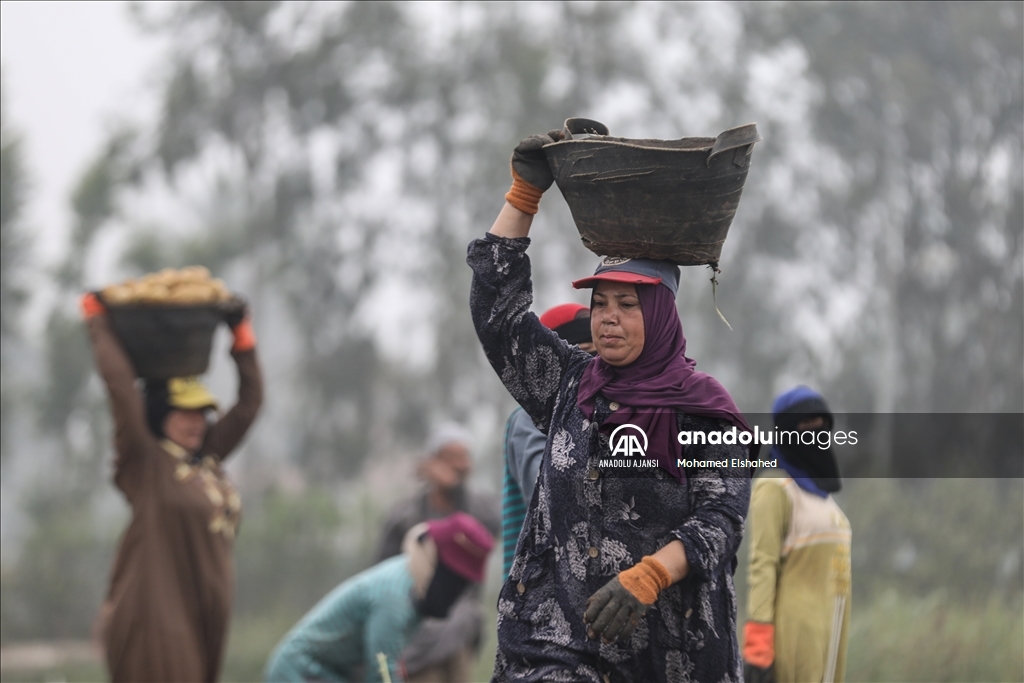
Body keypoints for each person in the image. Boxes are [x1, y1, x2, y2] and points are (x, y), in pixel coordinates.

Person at [467, 130, 756, 682]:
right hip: (562, 646)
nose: (607, 317)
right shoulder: (568, 387)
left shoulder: (703, 409)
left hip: (672, 653)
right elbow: (497, 316)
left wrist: (649, 575)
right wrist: (524, 195)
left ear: (663, 315)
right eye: (599, 303)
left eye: (627, 304)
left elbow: (722, 518)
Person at [81, 292, 263, 683]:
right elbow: (124, 395)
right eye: (185, 411)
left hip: (204, 619)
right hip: (155, 622)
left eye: (202, 412)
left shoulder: (207, 459)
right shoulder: (147, 464)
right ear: (161, 412)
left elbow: (249, 405)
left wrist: (241, 333)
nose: (197, 421)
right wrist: (99, 323)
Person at [264, 512, 494, 683]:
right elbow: (382, 674)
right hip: (300, 672)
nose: (456, 592)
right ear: (438, 562)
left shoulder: (411, 581)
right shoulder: (394, 599)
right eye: (455, 580)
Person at [742, 386, 851, 683]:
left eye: (821, 424)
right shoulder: (773, 486)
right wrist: (758, 645)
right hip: (795, 628)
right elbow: (762, 564)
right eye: (804, 425)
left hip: (831, 624)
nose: (814, 431)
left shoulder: (822, 494)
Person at [377, 425, 501, 682]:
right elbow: (380, 571)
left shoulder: (480, 508)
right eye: (452, 458)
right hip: (414, 614)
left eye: (465, 457)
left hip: (461, 616)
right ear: (433, 462)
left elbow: (504, 527)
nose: (461, 465)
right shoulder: (405, 515)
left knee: (458, 623)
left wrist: (455, 488)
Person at [502, 303, 594, 576]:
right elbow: (548, 494)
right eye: (581, 355)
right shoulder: (529, 418)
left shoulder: (590, 412)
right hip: (541, 588)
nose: (591, 366)